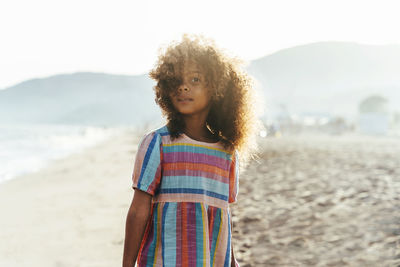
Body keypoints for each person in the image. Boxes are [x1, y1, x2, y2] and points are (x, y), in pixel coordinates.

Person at [123, 33, 261, 267]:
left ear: (218, 87)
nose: (183, 86)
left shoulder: (227, 152)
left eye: (195, 79)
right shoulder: (157, 143)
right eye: (175, 80)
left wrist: (233, 262)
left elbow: (221, 217)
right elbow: (138, 211)